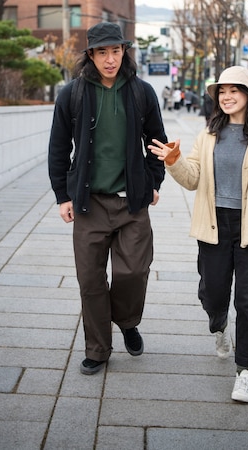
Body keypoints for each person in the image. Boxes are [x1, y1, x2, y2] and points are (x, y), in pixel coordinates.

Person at [148, 65, 248, 403]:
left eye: (234, 91)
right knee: (212, 295)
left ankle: (245, 372)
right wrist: (174, 160)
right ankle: (219, 326)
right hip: (214, 226)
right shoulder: (208, 135)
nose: (227, 97)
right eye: (222, 92)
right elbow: (193, 178)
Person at [48, 22, 167, 375]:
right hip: (90, 203)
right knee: (91, 281)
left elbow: (158, 142)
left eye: (116, 51)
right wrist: (62, 195)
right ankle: (98, 350)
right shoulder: (73, 94)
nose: (110, 59)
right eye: (102, 52)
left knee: (134, 271)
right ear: (91, 55)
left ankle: (127, 321)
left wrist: (153, 181)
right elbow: (58, 147)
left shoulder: (141, 92)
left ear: (124, 52)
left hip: (132, 202)